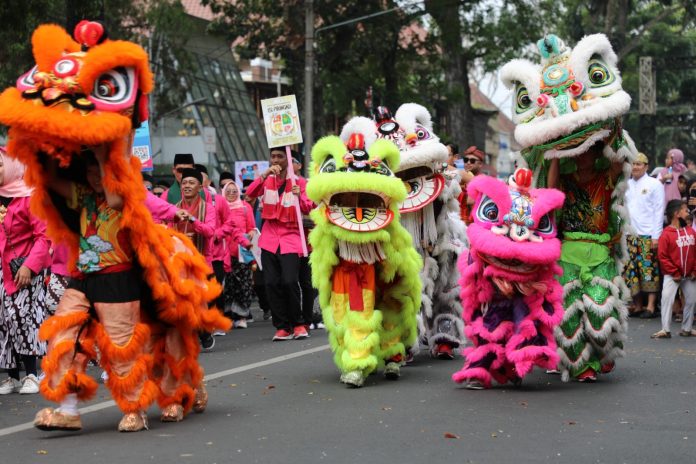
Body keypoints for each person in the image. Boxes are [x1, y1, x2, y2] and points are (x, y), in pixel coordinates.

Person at [245, 147, 314, 341]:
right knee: (271, 283)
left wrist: (299, 195)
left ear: (288, 160)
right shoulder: (267, 179)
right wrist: (264, 174)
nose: (275, 160)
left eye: (280, 157)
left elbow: (310, 206)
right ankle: (282, 326)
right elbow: (249, 194)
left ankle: (298, 323)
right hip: (268, 238)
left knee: (290, 281)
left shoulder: (301, 182)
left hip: (291, 237)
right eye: (273, 156)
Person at [0, 148, 50, 396]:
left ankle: (32, 373)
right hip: (1, 271)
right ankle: (11, 376)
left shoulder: (30, 198)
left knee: (24, 318)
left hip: (24, 270)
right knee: (4, 321)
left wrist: (30, 266)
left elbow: (43, 237)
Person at [624, 153, 664, 318]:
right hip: (629, 234)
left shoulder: (654, 184)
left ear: (646, 166)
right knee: (631, 271)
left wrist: (656, 236)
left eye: (639, 164)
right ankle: (638, 305)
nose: (635, 167)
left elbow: (659, 211)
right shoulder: (626, 184)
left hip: (647, 234)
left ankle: (651, 306)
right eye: (633, 164)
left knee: (649, 270)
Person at [651, 200, 696, 338]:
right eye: (685, 210)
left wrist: (694, 270)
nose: (687, 212)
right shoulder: (666, 234)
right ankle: (665, 329)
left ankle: (687, 328)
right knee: (667, 299)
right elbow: (662, 256)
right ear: (677, 214)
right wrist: (674, 272)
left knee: (692, 300)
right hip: (672, 275)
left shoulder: (690, 231)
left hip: (689, 274)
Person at [221, 181, 255, 328]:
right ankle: (228, 315)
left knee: (244, 284)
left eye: (234, 191)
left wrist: (251, 233)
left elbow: (251, 227)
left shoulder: (245, 207)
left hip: (242, 252)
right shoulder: (220, 207)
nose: (231, 194)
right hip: (223, 252)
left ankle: (242, 316)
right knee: (228, 285)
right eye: (228, 191)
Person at [458, 145, 485, 224]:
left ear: (480, 164)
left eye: (472, 161)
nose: (468, 163)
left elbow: (470, 202)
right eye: (466, 160)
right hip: (458, 223)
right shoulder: (459, 178)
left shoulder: (482, 180)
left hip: (472, 224)